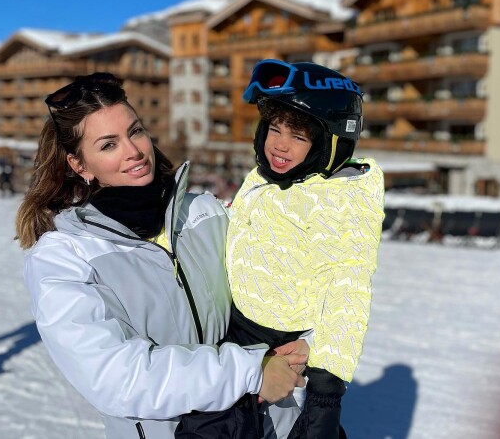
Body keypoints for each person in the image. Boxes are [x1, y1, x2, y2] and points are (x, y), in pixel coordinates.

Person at [16, 73, 306, 439]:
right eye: (108, 145)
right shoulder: (64, 257)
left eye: (135, 132)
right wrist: (250, 371)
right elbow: (117, 377)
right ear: (80, 165)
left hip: (268, 426)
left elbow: (286, 281)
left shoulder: (206, 212)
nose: (133, 151)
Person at [180, 60, 384, 439]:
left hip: (281, 343)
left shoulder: (340, 200)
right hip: (235, 327)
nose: (279, 144)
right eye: (275, 128)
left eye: (299, 136)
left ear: (329, 143)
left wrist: (326, 389)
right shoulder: (266, 179)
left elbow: (347, 285)